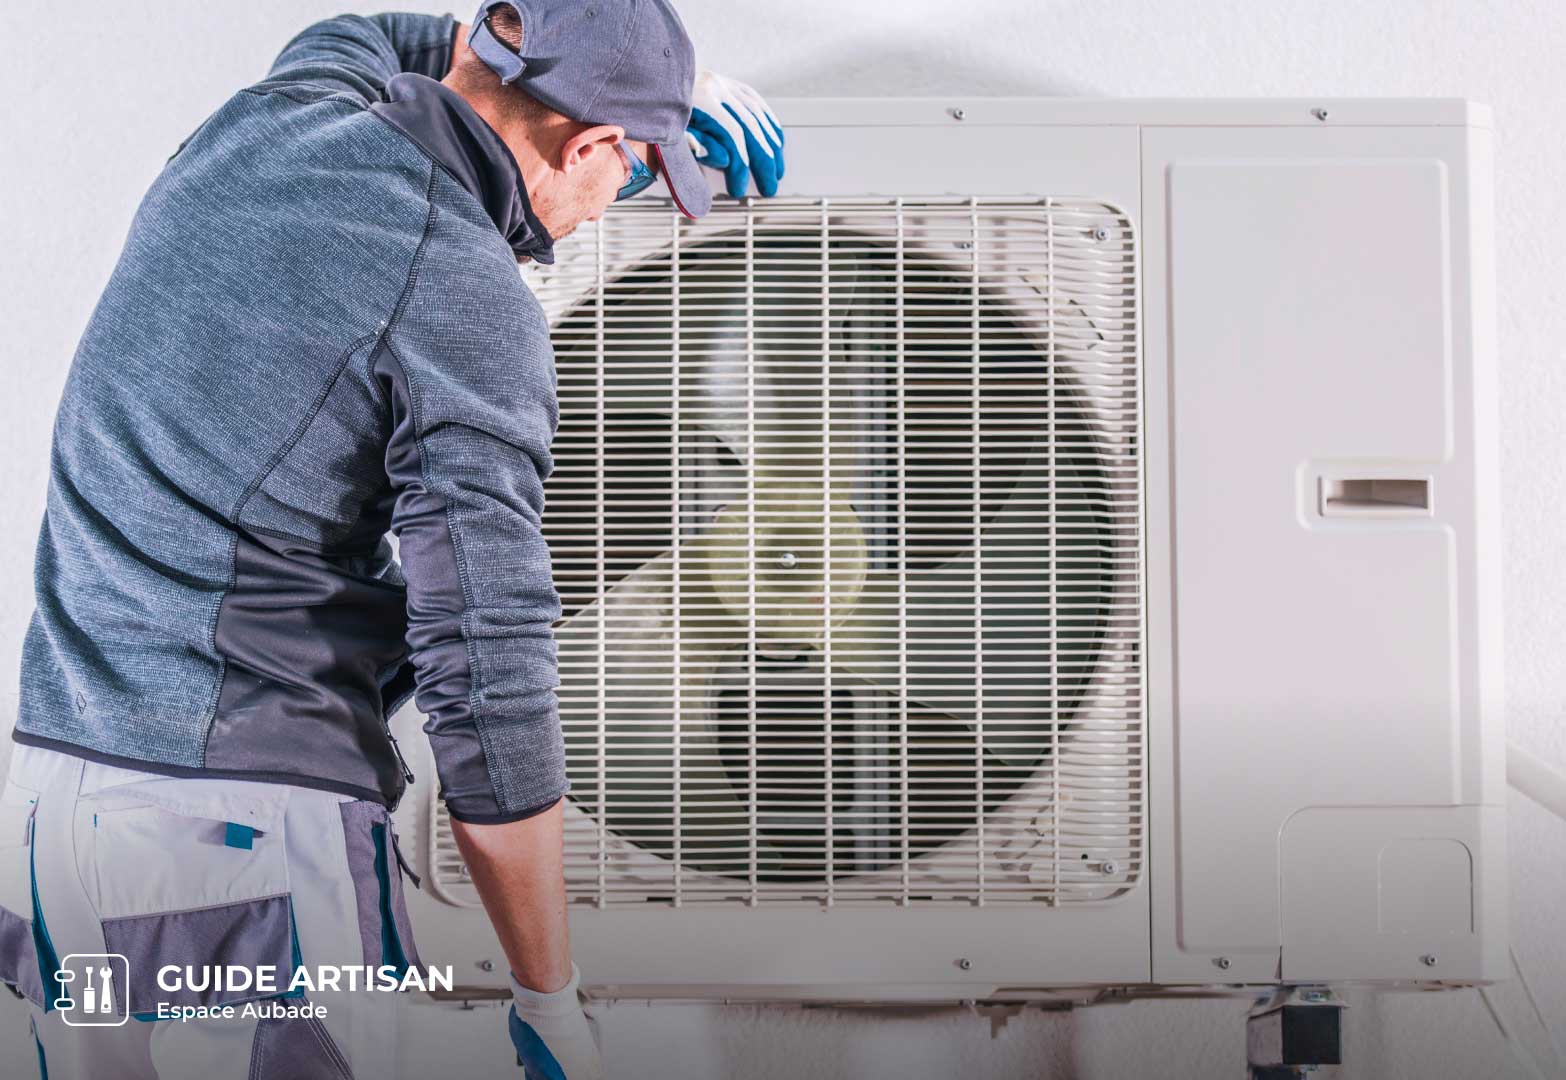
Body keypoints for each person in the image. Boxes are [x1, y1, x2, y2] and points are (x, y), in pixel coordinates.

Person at [0, 2, 783, 1077]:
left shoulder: (283, 106)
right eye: (634, 171)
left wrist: (648, 94)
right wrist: (549, 996)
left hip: (56, 811)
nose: (617, 205)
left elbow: (391, 34)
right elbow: (489, 673)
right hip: (239, 854)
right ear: (592, 142)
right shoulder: (463, 292)